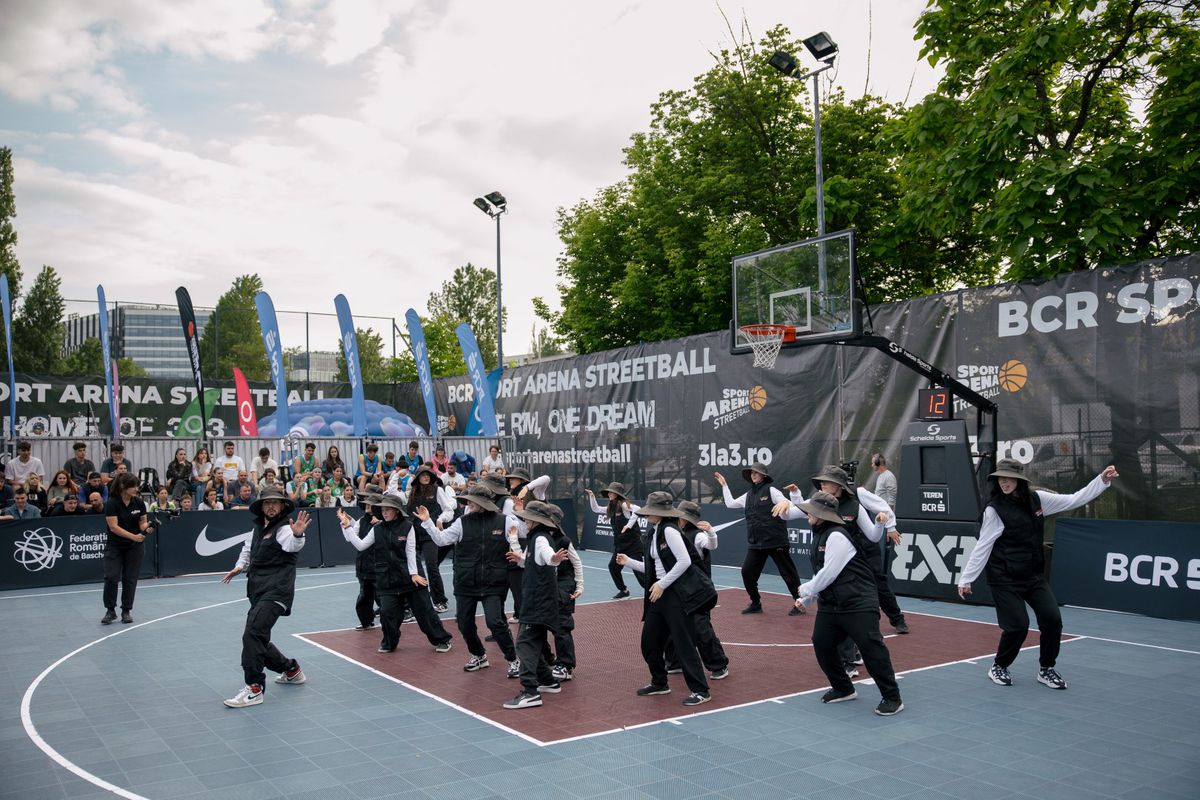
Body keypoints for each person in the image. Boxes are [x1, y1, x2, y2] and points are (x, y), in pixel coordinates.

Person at [959, 460, 1119, 690]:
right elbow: (983, 545)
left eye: (1008, 477)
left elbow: (1075, 498)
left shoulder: (1038, 499)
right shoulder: (994, 510)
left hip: (1032, 575)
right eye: (1000, 478)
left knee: (1052, 620)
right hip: (1004, 578)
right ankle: (999, 666)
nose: (1004, 482)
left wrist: (1102, 480)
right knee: (1018, 626)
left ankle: (1046, 669)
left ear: (1019, 480)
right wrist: (966, 579)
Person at [788, 491, 904, 716]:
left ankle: (892, 697)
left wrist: (805, 590)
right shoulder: (819, 533)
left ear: (821, 514)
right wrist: (808, 600)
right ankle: (843, 688)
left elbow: (829, 573)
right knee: (822, 643)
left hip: (858, 602)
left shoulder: (837, 536)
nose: (807, 514)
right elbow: (823, 573)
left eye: (811, 510)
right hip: (833, 604)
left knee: (871, 648)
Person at [617, 492, 715, 707]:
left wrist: (662, 584)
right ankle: (660, 683)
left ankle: (701, 690)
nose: (647, 514)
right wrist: (629, 562)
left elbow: (684, 562)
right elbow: (654, 566)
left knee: (684, 644)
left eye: (651, 510)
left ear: (660, 513)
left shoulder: (670, 530)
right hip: (659, 595)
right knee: (649, 643)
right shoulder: (654, 531)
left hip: (676, 595)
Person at [220, 486, 311, 708]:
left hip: (277, 591)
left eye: (275, 503)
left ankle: (254, 688)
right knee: (258, 637)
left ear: (281, 506)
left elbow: (292, 544)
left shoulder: (284, 529)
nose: (271, 506)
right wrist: (239, 566)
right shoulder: (258, 528)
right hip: (258, 589)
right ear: (261, 507)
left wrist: (298, 534)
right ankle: (291, 669)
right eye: (267, 503)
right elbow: (248, 550)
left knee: (252, 633)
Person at [417, 486, 522, 678]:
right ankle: (479, 655)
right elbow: (441, 540)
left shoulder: (505, 521)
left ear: (483, 503)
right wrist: (428, 523)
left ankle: (513, 659)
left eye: (472, 501)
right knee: (464, 624)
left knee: (495, 622)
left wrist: (520, 513)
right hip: (466, 582)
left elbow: (522, 532)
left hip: (494, 582)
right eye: (468, 500)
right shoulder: (461, 522)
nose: (469, 503)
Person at [793, 465, 909, 636]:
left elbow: (882, 508)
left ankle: (897, 619)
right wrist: (788, 500)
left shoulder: (858, 495)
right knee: (843, 589)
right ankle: (853, 635)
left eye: (827, 481)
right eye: (822, 482)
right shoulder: (821, 502)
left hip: (866, 550)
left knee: (879, 586)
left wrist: (890, 527)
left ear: (839, 484)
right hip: (846, 557)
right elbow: (791, 512)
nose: (823, 485)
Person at [336, 495, 454, 654]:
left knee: (425, 612)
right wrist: (347, 527)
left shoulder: (408, 527)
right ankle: (389, 643)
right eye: (382, 510)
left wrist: (414, 574)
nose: (384, 513)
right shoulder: (376, 529)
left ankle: (442, 640)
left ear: (396, 511)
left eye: (388, 510)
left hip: (413, 578)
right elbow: (361, 545)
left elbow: (411, 552)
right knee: (387, 614)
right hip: (387, 579)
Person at [502, 500, 571, 709]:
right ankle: (549, 681)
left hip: (538, 603)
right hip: (538, 603)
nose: (524, 521)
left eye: (527, 518)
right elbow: (536, 561)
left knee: (524, 643)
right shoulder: (535, 539)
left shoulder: (541, 539)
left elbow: (548, 557)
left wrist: (555, 558)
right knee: (537, 644)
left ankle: (530, 691)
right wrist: (521, 559)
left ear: (535, 521)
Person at [715, 462, 803, 615]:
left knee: (788, 574)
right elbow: (730, 504)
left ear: (764, 475)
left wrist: (783, 501)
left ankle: (800, 603)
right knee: (747, 572)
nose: (753, 475)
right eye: (751, 473)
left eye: (756, 472)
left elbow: (788, 504)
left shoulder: (772, 490)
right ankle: (756, 603)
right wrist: (724, 486)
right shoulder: (748, 495)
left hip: (776, 541)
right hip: (756, 543)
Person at [670, 500, 729, 680]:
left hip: (698, 590)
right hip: (678, 588)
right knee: (672, 626)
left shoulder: (697, 535)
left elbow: (712, 545)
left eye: (681, 515)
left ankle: (718, 664)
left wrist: (711, 532)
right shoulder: (672, 532)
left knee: (701, 629)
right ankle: (675, 662)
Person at [102, 473, 153, 625]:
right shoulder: (112, 503)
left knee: (130, 579)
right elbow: (113, 527)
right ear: (124, 486)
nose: (137, 489)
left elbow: (142, 523)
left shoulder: (139, 503)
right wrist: (133, 536)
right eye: (134, 486)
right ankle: (110, 610)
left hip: (135, 548)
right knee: (111, 577)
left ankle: (126, 611)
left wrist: (147, 528)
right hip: (115, 546)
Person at [406, 465, 455, 613]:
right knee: (413, 568)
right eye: (422, 475)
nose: (426, 477)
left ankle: (440, 601)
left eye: (428, 475)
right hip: (414, 534)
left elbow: (449, 510)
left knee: (432, 567)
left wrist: (440, 520)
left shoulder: (437, 490)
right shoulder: (412, 493)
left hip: (431, 534)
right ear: (418, 477)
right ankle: (420, 601)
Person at [585, 482, 647, 598]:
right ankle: (624, 591)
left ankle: (653, 591)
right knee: (613, 567)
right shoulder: (611, 507)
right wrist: (592, 497)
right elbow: (596, 509)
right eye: (609, 491)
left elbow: (638, 509)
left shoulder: (623, 505)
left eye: (612, 492)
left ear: (617, 494)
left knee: (639, 573)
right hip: (621, 546)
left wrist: (628, 525)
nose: (609, 493)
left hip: (633, 545)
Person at [348, 486, 381, 631]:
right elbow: (351, 539)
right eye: (366, 501)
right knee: (364, 596)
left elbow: (362, 544)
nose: (366, 503)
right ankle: (366, 621)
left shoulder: (381, 522)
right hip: (363, 565)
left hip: (378, 565)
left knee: (383, 597)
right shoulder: (361, 521)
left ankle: (400, 614)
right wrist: (346, 526)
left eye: (370, 501)